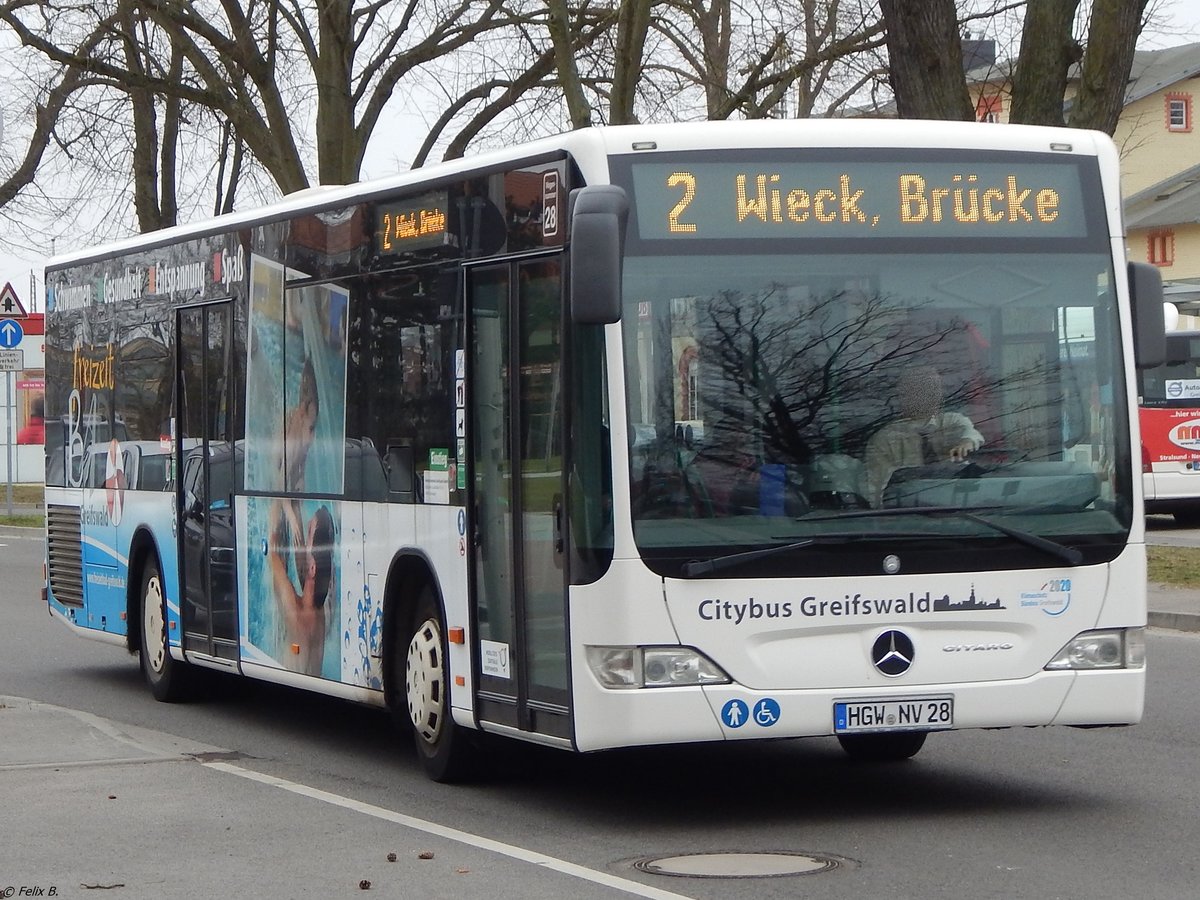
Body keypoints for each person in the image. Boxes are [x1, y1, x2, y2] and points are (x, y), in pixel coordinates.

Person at [864, 365, 984, 507]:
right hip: (905, 514)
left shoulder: (952, 422)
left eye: (935, 389)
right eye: (923, 390)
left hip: (957, 507)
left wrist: (966, 442)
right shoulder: (885, 440)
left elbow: (971, 433)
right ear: (903, 396)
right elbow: (877, 490)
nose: (933, 395)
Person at [267, 498, 335, 676]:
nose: (304, 543)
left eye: (309, 531)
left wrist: (283, 505)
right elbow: (310, 566)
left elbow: (271, 552)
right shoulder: (323, 614)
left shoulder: (294, 609)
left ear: (312, 568)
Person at [281, 356, 319, 491]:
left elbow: (303, 457)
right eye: (311, 429)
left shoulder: (302, 440)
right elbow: (279, 494)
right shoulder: (291, 444)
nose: (313, 437)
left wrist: (302, 477)